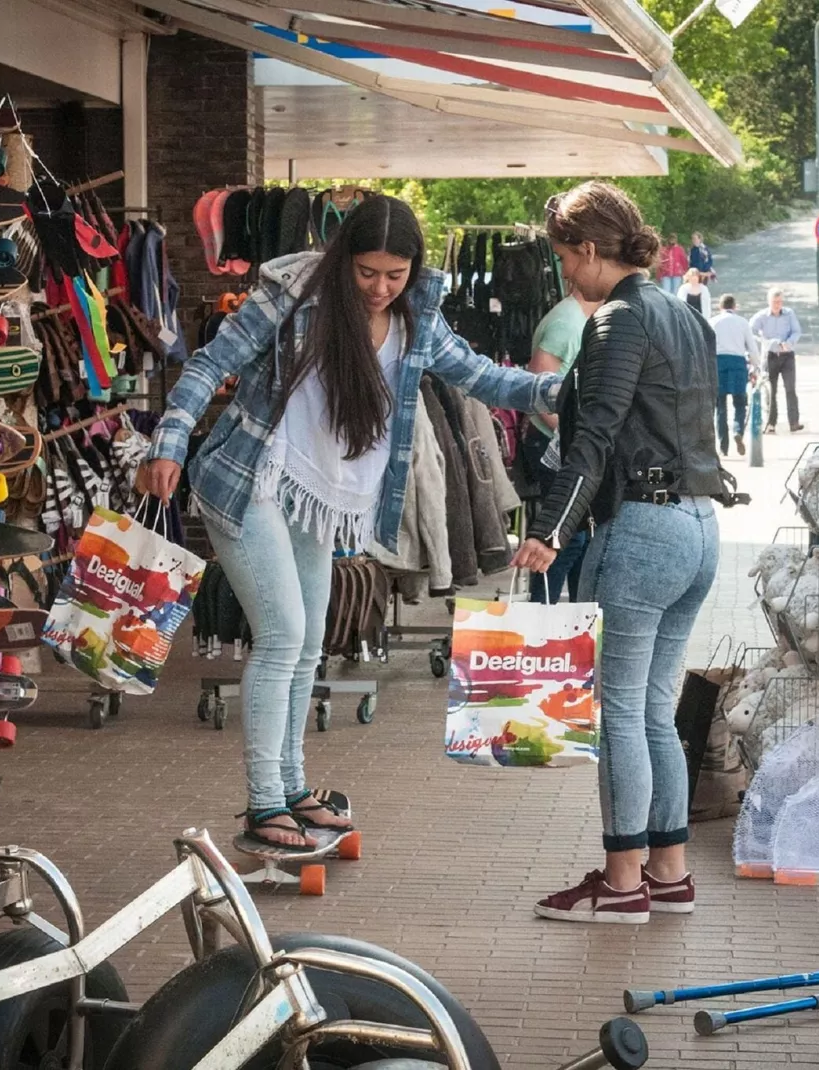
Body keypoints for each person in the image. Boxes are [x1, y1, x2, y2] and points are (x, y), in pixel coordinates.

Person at [139, 195, 560, 851]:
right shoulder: (293, 292)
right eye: (367, 272)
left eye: (395, 275)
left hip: (317, 491)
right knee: (283, 637)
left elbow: (480, 377)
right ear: (343, 259)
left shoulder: (416, 311)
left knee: (309, 644)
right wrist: (169, 440)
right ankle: (262, 804)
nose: (380, 288)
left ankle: (294, 790)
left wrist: (558, 392)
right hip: (252, 476)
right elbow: (209, 363)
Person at [512, 181, 724, 924]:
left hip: (641, 532)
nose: (567, 276)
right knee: (655, 711)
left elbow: (594, 436)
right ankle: (669, 874)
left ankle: (622, 881)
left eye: (568, 259)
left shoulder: (616, 323)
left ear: (592, 250)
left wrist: (550, 529)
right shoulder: (684, 315)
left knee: (621, 714)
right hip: (700, 528)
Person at [521, 286, 601, 603]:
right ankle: (542, 611)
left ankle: (569, 619)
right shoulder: (567, 323)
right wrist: (574, 438)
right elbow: (539, 390)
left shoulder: (577, 319)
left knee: (578, 537)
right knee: (566, 537)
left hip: (563, 445)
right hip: (553, 447)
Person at [709, 294, 759, 456]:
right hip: (737, 363)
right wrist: (755, 367)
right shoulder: (742, 322)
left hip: (718, 363)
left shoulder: (713, 322)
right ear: (735, 307)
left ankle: (723, 447)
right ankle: (738, 430)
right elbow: (752, 348)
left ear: (720, 307)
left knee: (720, 406)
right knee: (740, 402)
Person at [751, 288, 803, 433]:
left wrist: (790, 342)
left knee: (790, 389)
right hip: (770, 355)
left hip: (787, 355)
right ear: (769, 302)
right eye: (774, 302)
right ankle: (771, 423)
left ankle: (794, 422)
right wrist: (767, 342)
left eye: (780, 302)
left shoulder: (789, 313)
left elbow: (797, 331)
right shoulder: (762, 316)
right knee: (771, 391)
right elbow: (751, 331)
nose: (777, 305)